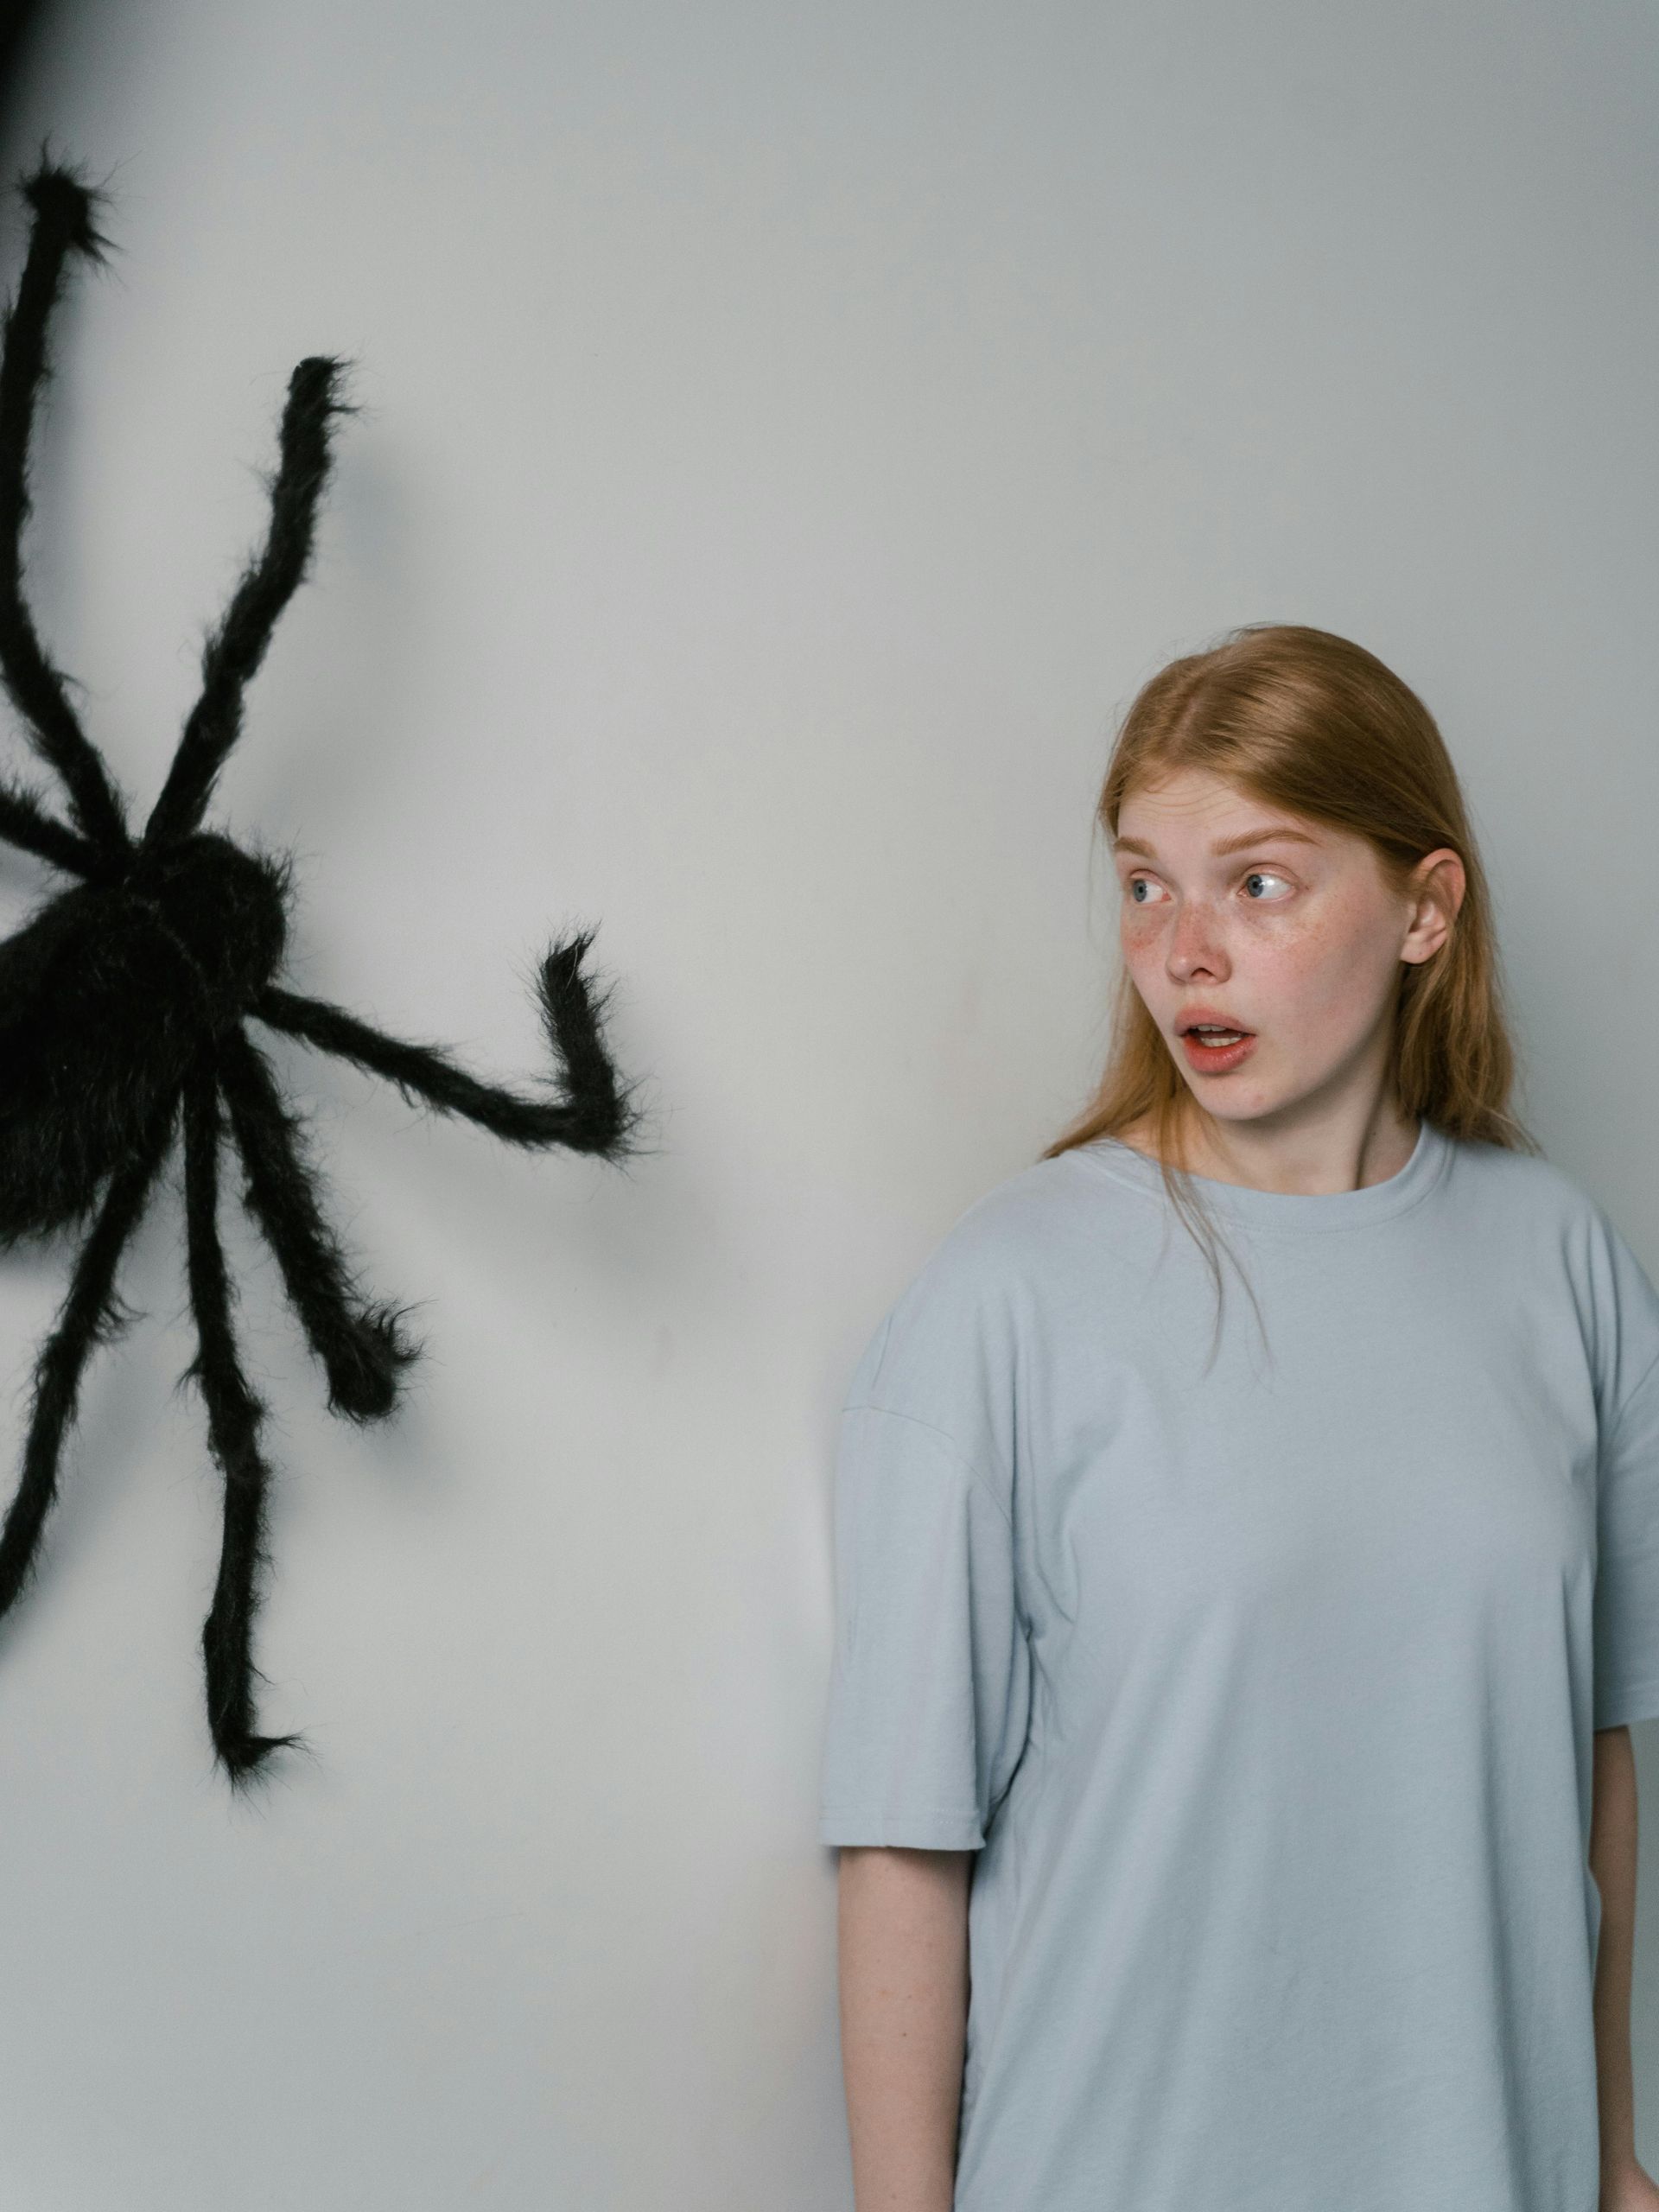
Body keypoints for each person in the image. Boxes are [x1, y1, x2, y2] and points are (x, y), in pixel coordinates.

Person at [817, 622, 1659, 2212]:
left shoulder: (1565, 1266)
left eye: (1256, 883)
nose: (1182, 950)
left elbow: (1592, 1769)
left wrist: (1606, 2151)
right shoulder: (1011, 1292)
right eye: (1146, 884)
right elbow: (900, 1842)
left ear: (1425, 908)